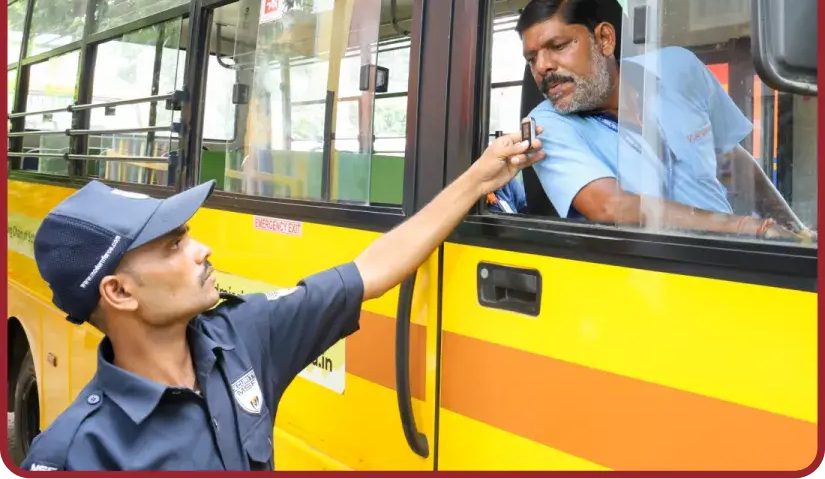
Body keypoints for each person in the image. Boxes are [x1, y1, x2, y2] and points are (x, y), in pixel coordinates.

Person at [19, 129, 544, 471]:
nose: (203, 250)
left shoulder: (245, 336)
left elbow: (372, 270)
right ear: (118, 292)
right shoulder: (77, 453)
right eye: (174, 245)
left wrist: (482, 176)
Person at [518, 0, 811, 241]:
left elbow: (731, 162)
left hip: (732, 259)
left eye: (557, 46)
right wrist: (753, 229)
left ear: (604, 39)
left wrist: (796, 233)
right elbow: (610, 206)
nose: (542, 67)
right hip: (650, 280)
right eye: (532, 58)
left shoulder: (680, 69)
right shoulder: (546, 126)